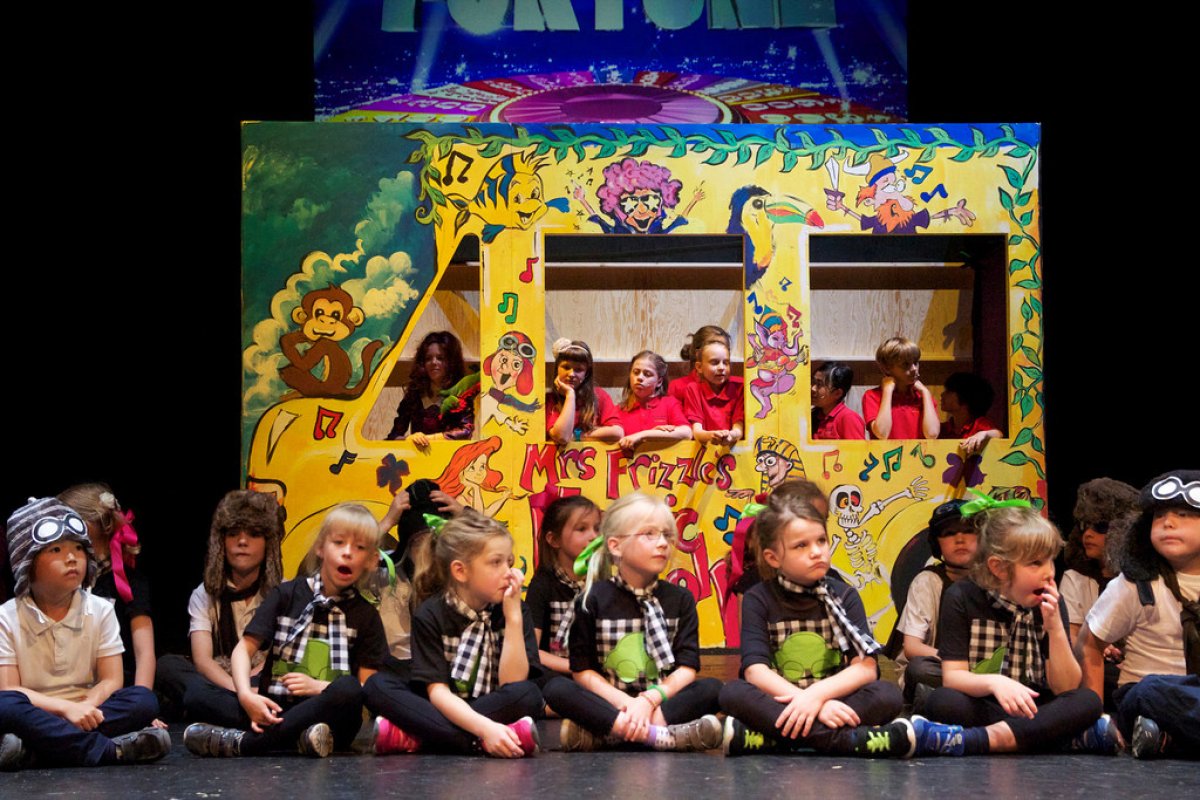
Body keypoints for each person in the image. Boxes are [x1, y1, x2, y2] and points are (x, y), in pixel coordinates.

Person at [183, 503, 388, 758]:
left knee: (348, 689)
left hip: (330, 716)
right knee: (196, 694)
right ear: (320, 547)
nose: (347, 553)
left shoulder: (367, 616)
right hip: (274, 709)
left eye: (359, 548)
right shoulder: (287, 594)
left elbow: (365, 686)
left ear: (370, 561)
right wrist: (246, 696)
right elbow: (243, 650)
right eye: (339, 543)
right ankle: (298, 738)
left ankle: (247, 744)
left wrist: (318, 687)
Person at [719, 493, 915, 757]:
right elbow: (755, 671)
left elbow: (866, 668)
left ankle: (775, 740)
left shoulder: (844, 595)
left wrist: (817, 698)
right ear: (773, 558)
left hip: (834, 697)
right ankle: (851, 740)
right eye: (801, 545)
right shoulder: (758, 597)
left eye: (821, 541)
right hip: (782, 698)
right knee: (733, 693)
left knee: (887, 694)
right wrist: (813, 705)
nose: (816, 551)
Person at [912, 497, 1112, 756]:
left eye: (1050, 561)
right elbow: (954, 676)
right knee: (943, 701)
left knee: (1088, 700)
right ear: (999, 568)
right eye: (1035, 563)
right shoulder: (961, 596)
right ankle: (1057, 738)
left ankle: (980, 740)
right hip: (989, 701)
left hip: (1036, 704)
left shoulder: (1050, 601)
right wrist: (996, 683)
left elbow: (1066, 687)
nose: (1049, 573)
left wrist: (1055, 629)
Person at [543, 493, 723, 752]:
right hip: (612, 702)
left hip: (660, 702)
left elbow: (687, 668)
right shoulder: (592, 599)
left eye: (666, 535)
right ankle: (659, 735)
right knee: (557, 689)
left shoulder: (680, 599)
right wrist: (627, 705)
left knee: (714, 689)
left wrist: (648, 700)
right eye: (649, 534)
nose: (662, 543)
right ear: (615, 546)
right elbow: (582, 670)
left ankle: (614, 734)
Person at [0, 497, 169, 770]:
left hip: (89, 710)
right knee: (5, 705)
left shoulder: (100, 609)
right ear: (26, 562)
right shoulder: (6, 617)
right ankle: (109, 750)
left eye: (78, 548)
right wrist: (66, 709)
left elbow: (111, 679)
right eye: (56, 549)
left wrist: (86, 706)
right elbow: (10, 689)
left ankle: (35, 750)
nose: (71, 558)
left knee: (143, 700)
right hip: (37, 712)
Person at [365, 510, 542, 757]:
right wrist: (486, 730)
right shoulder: (430, 614)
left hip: (490, 703)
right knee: (377, 686)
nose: (508, 572)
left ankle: (417, 738)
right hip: (443, 704)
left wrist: (513, 618)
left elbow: (512, 684)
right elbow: (437, 692)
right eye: (496, 562)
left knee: (528, 694)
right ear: (460, 571)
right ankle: (479, 742)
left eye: (509, 562)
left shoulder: (516, 609)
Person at [1077, 469, 1200, 759]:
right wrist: (1096, 717)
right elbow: (1089, 643)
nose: (1168, 523)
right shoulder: (1136, 584)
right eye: (1159, 516)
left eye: (1184, 514)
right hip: (1151, 696)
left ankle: (1165, 741)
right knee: (1153, 688)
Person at [156, 490, 285, 726]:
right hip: (223, 684)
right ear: (221, 542)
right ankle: (255, 715)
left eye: (254, 534)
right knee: (169, 668)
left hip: (263, 681)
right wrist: (242, 692)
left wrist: (252, 685)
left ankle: (237, 715)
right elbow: (203, 661)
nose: (242, 542)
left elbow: (282, 656)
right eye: (233, 534)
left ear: (268, 542)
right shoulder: (204, 594)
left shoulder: (284, 593)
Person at [58, 484, 155, 692]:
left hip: (120, 686)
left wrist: (142, 698)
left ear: (84, 527)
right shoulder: (64, 580)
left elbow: (144, 653)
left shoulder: (129, 582)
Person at [891, 500, 978, 705]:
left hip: (982, 667)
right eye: (949, 533)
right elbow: (912, 647)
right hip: (941, 666)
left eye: (968, 530)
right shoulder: (928, 581)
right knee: (919, 669)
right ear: (937, 543)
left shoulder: (994, 579)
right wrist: (958, 662)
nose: (960, 539)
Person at [525, 495, 601, 678]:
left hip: (593, 676)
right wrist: (577, 667)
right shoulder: (542, 585)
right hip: (556, 676)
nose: (593, 536)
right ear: (554, 540)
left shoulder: (601, 584)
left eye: (597, 529)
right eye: (581, 529)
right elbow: (530, 650)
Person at [1061, 479, 1139, 643]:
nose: (1088, 534)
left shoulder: (1144, 583)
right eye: (1085, 525)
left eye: (1100, 527)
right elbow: (1071, 635)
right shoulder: (1075, 579)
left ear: (1123, 531)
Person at [388, 331, 474, 443]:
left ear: (451, 362)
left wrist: (428, 439)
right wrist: (408, 439)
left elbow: (466, 431)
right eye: (428, 358)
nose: (434, 362)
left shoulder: (462, 395)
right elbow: (393, 436)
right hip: (418, 454)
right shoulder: (413, 395)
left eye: (440, 358)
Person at [546, 339, 623, 445]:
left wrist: (578, 436)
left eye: (578, 370)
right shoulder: (549, 400)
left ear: (586, 373)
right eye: (566, 367)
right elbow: (563, 437)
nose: (571, 374)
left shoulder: (598, 396)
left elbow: (617, 432)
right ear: (557, 368)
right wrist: (570, 395)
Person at [862, 337, 939, 440]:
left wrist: (925, 393)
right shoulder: (872, 396)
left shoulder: (923, 397)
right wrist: (888, 390)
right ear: (887, 368)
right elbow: (882, 433)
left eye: (916, 362)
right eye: (905, 364)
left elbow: (932, 434)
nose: (914, 369)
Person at [616, 350, 692, 451]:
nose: (640, 378)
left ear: (659, 381)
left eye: (647, 374)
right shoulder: (619, 410)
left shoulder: (669, 404)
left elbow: (687, 432)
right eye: (636, 372)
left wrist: (646, 435)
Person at [682, 337, 743, 446]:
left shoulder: (740, 388)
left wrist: (730, 436)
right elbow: (697, 432)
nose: (721, 367)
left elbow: (739, 429)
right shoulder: (693, 389)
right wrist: (712, 435)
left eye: (726, 363)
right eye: (714, 363)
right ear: (699, 367)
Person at [939, 372, 1002, 455]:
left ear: (965, 395)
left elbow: (998, 434)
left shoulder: (979, 423)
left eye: (949, 391)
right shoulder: (944, 428)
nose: (942, 394)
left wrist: (983, 434)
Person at [669, 326, 731, 404]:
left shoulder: (737, 387)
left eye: (725, 349)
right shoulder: (677, 387)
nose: (721, 367)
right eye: (714, 347)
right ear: (697, 354)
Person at [811, 361, 866, 440]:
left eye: (819, 385)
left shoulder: (848, 418)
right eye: (813, 382)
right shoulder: (812, 416)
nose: (813, 388)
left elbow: (857, 448)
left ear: (837, 393)